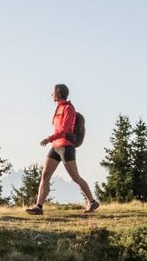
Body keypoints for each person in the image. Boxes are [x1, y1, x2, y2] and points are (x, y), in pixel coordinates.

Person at [26, 83, 97, 214]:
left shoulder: (69, 108)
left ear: (58, 93)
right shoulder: (59, 108)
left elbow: (65, 130)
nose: (51, 95)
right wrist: (52, 140)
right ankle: (38, 207)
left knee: (75, 177)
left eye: (53, 92)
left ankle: (93, 202)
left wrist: (49, 138)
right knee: (45, 174)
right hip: (56, 146)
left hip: (65, 146)